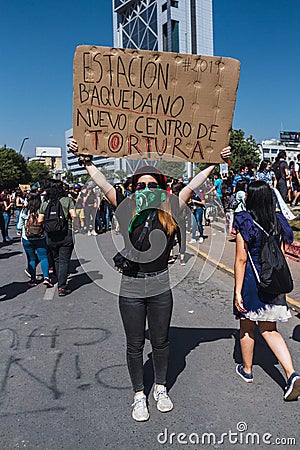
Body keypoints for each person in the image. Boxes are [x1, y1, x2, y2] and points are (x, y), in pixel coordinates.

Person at [68, 138, 231, 421]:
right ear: (133, 190)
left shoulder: (171, 210)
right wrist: (85, 160)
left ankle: (160, 388)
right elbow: (103, 183)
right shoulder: (126, 209)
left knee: (161, 342)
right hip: (131, 285)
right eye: (140, 186)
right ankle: (138, 395)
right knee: (134, 344)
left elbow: (192, 185)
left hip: (160, 285)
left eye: (152, 185)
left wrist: (215, 162)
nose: (146, 189)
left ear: (161, 188)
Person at [233, 180, 300, 401]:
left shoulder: (245, 221)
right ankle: (291, 373)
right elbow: (279, 254)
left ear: (250, 198)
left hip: (253, 282)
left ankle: (247, 370)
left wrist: (237, 291)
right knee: (270, 329)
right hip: (273, 281)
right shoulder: (278, 221)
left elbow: (241, 260)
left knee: (246, 327)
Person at [39, 180, 76, 296]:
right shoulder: (67, 201)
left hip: (51, 235)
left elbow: (40, 220)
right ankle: (62, 286)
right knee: (64, 260)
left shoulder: (45, 203)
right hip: (66, 233)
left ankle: (58, 277)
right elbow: (74, 216)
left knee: (56, 259)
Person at [17, 192, 53, 287]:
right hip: (40, 237)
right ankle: (46, 277)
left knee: (31, 259)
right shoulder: (42, 209)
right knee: (43, 257)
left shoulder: (25, 210)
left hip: (27, 238)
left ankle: (33, 279)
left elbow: (19, 226)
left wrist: (20, 231)